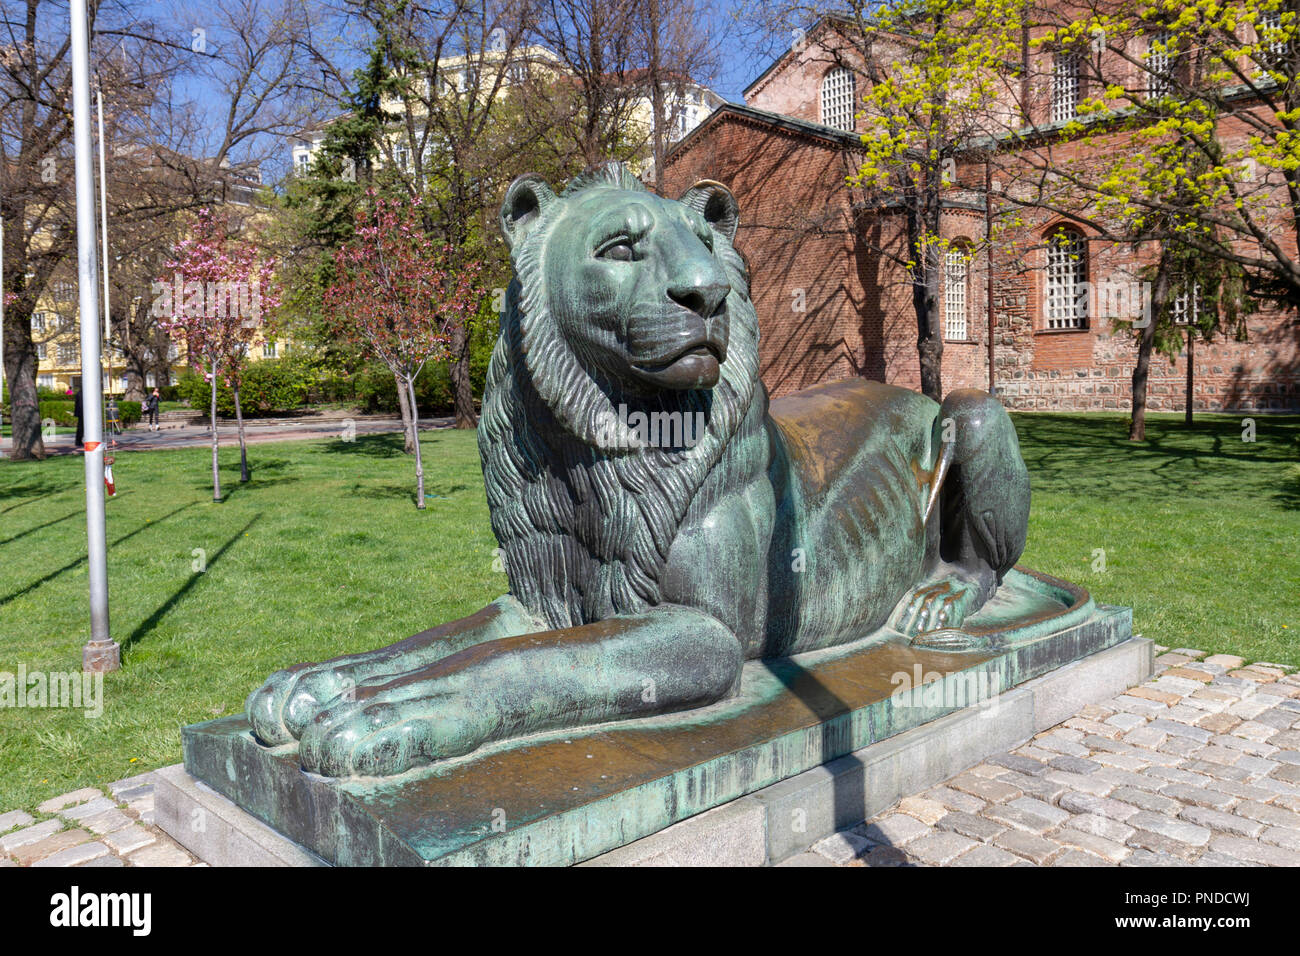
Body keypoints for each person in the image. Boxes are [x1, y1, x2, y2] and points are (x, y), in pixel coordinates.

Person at [73, 386, 84, 451]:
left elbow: (76, 404)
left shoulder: (79, 393)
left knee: (80, 427)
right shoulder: (81, 393)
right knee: (81, 427)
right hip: (82, 412)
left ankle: (78, 441)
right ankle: (78, 441)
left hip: (81, 412)